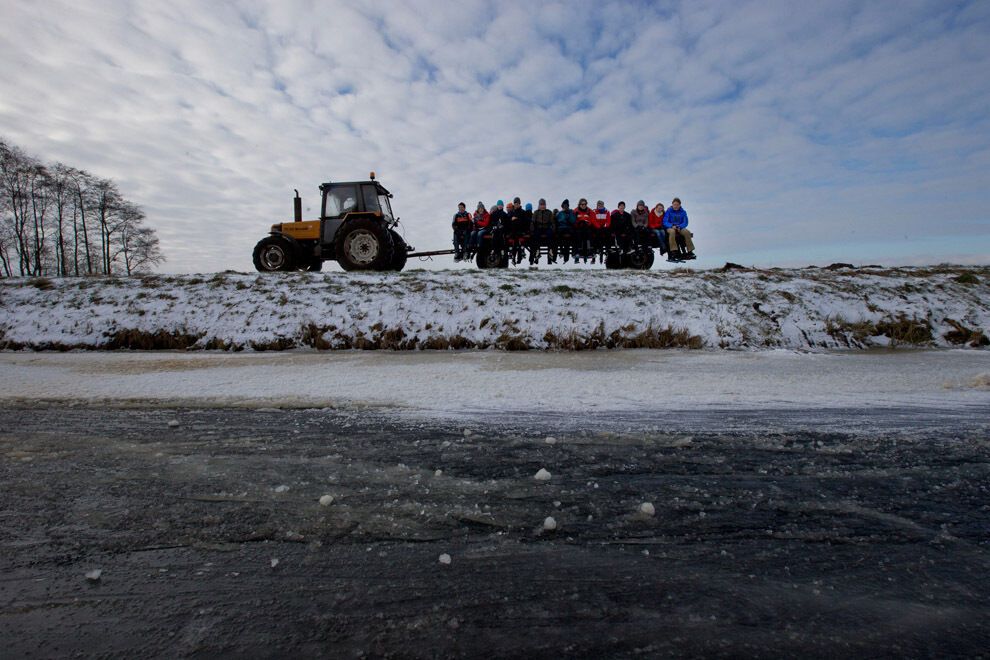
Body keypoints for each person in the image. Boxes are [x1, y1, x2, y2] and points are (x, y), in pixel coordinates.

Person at [663, 197, 696, 262]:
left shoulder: (683, 212)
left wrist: (679, 227)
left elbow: (685, 222)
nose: (676, 206)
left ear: (680, 205)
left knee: (687, 232)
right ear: (672, 204)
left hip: (680, 227)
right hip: (670, 227)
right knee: (672, 232)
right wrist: (672, 226)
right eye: (674, 204)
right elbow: (665, 221)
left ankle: (690, 251)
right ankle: (674, 251)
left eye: (677, 205)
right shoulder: (669, 211)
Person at [529, 198, 556, 264]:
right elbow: (532, 222)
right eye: (541, 204)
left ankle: (550, 252)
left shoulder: (549, 212)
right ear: (539, 205)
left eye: (543, 204)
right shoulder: (536, 212)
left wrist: (553, 229)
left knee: (550, 235)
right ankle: (537, 251)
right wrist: (532, 230)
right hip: (539, 228)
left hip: (547, 228)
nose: (542, 206)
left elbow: (553, 222)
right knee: (536, 235)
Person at [574, 198, 595, 263]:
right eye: (582, 204)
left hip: (587, 227)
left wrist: (587, 223)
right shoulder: (575, 211)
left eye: (585, 204)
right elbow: (573, 220)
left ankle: (590, 252)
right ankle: (578, 253)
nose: (583, 205)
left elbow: (592, 219)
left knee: (589, 235)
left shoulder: (590, 211)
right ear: (579, 204)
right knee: (578, 235)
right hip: (578, 228)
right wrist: (579, 223)